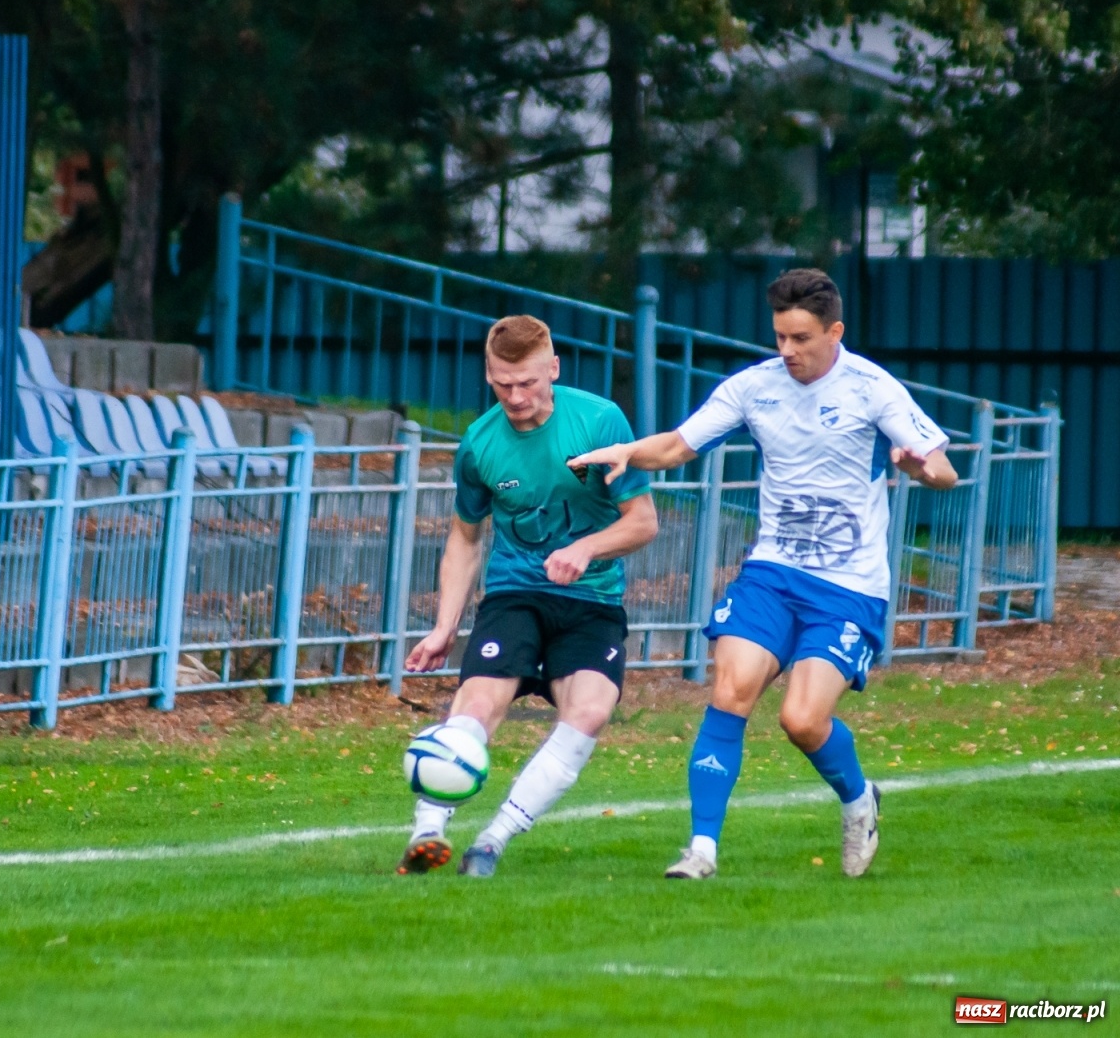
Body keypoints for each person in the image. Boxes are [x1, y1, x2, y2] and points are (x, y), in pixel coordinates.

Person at [570, 268, 958, 880]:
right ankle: (701, 850)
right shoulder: (755, 387)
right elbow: (677, 446)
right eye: (779, 336)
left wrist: (917, 468)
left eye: (801, 338)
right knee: (730, 693)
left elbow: (943, 469)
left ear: (835, 332)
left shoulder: (872, 387)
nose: (787, 351)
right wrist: (628, 452)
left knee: (802, 720)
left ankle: (860, 801)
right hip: (772, 572)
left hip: (848, 588)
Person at [399, 314, 659, 878]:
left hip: (591, 601)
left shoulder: (598, 421)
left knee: (589, 711)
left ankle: (492, 841)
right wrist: (444, 626)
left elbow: (642, 523)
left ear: (553, 370)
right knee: (475, 707)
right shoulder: (480, 443)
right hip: (515, 595)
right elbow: (465, 537)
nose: (515, 396)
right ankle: (427, 831)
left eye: (527, 382)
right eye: (501, 383)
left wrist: (587, 549)